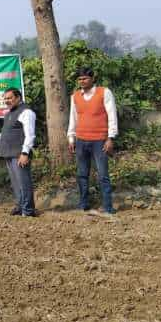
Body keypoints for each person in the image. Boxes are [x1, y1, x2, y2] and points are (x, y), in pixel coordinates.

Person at [67, 67, 118, 214]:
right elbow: (73, 118)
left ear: (92, 78)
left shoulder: (104, 92)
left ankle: (108, 207)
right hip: (81, 140)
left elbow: (112, 115)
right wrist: (71, 138)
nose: (82, 81)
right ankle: (83, 204)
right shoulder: (75, 96)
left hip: (100, 141)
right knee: (82, 174)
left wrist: (110, 138)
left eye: (85, 78)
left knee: (103, 175)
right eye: (80, 79)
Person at [0, 88, 37, 216]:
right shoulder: (9, 114)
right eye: (5, 98)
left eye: (10, 98)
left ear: (18, 97)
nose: (7, 101)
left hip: (20, 154)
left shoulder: (27, 112)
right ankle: (20, 206)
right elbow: (4, 133)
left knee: (24, 182)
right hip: (9, 153)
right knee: (16, 183)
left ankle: (28, 210)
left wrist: (25, 153)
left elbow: (30, 135)